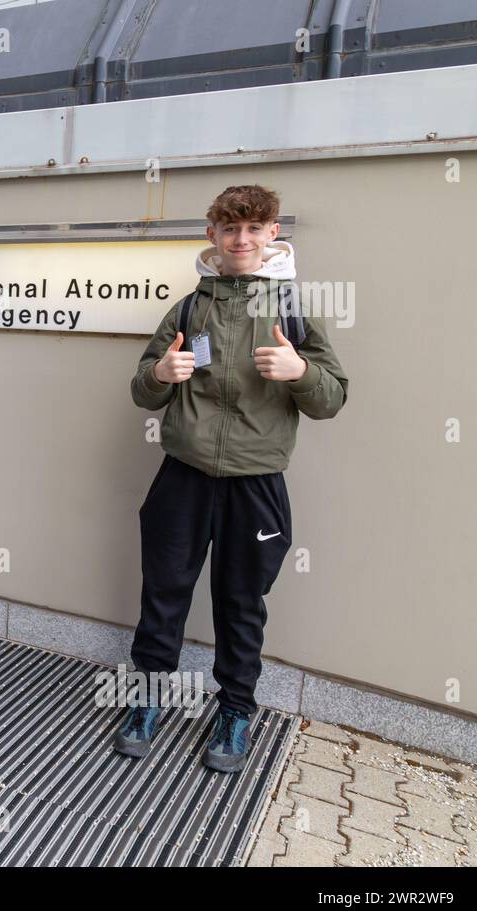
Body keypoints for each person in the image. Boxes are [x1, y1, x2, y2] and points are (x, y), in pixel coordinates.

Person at [114, 184, 349, 772]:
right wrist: (162, 374)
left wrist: (298, 371)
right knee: (163, 592)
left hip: (257, 484)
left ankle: (235, 711)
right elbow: (142, 390)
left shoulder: (293, 309)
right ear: (212, 236)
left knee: (241, 603)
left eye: (253, 229)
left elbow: (333, 398)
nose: (240, 240)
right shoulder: (190, 309)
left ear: (272, 234)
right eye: (229, 229)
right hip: (182, 479)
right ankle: (146, 700)